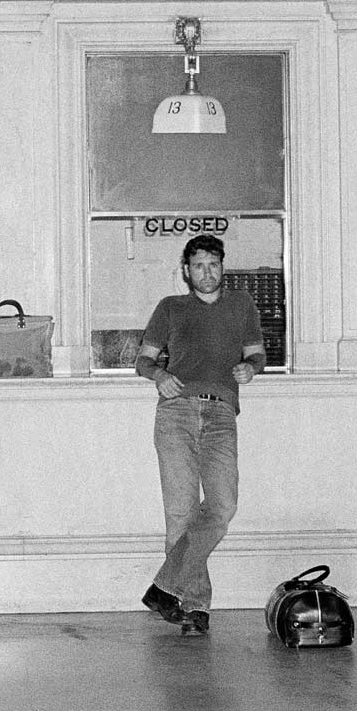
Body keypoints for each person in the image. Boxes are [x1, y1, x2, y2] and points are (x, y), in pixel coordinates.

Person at [135, 234, 265, 636]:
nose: (207, 273)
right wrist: (159, 375)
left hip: (221, 413)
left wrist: (252, 368)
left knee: (222, 507)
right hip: (176, 412)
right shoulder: (171, 308)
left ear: (222, 267)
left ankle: (164, 588)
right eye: (198, 266)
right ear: (186, 271)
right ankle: (194, 607)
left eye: (213, 264)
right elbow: (143, 359)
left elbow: (257, 352)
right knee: (182, 512)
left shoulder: (242, 305)